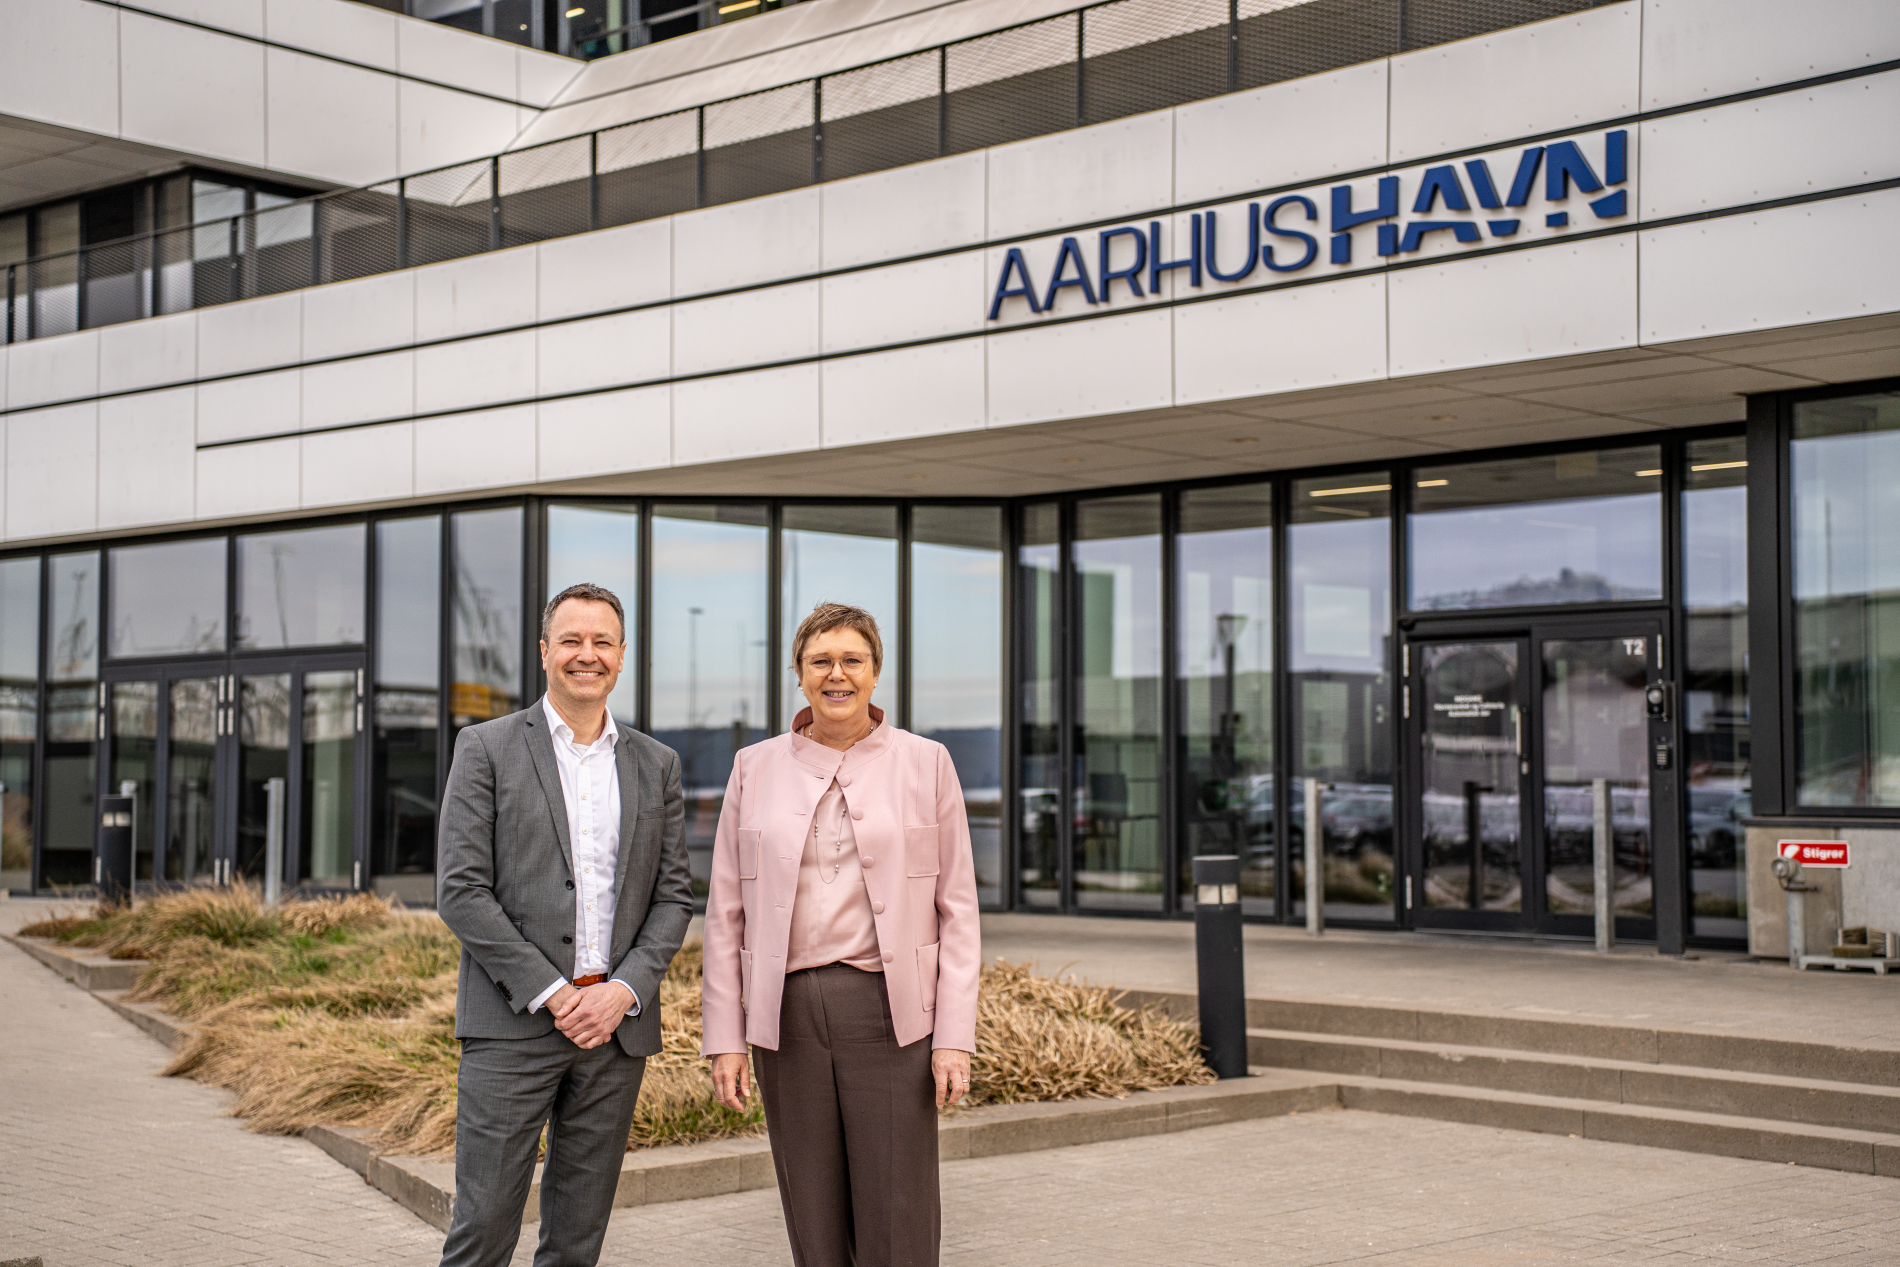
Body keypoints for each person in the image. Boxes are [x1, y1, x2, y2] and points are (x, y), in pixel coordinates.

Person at [701, 601, 981, 1267]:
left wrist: (954, 1039)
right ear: (798, 674)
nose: (837, 674)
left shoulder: (928, 762)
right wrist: (724, 1040)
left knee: (899, 1214)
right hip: (786, 1015)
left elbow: (959, 911)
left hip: (889, 1012)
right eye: (820, 660)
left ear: (875, 671)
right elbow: (723, 914)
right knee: (813, 1218)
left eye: (852, 659)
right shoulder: (753, 766)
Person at [436, 582, 692, 1267]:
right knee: (483, 1229)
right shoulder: (485, 747)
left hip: (614, 1032)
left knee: (577, 1241)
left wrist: (622, 990)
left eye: (602, 641)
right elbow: (461, 891)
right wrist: (554, 991)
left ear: (622, 654)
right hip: (512, 1025)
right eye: (572, 640)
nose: (588, 654)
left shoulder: (656, 763)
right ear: (546, 651)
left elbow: (672, 898)